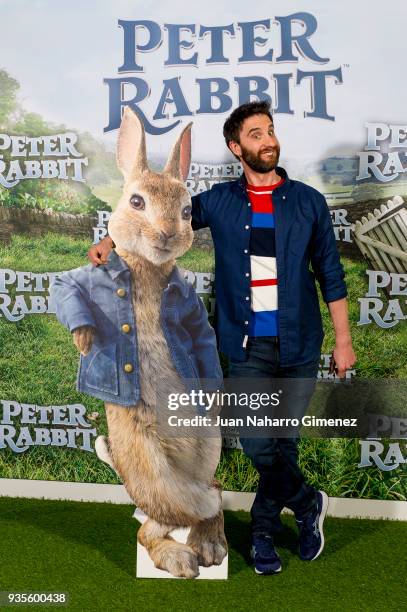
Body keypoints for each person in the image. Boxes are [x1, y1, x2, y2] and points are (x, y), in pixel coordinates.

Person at [88, 101, 356, 575]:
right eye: (255, 134)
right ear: (237, 148)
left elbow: (330, 275)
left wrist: (343, 340)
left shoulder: (309, 202)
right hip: (248, 346)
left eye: (270, 130)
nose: (267, 139)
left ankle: (263, 533)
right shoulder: (219, 202)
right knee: (257, 442)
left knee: (283, 443)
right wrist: (110, 243)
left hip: (299, 345)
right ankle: (309, 500)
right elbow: (163, 213)